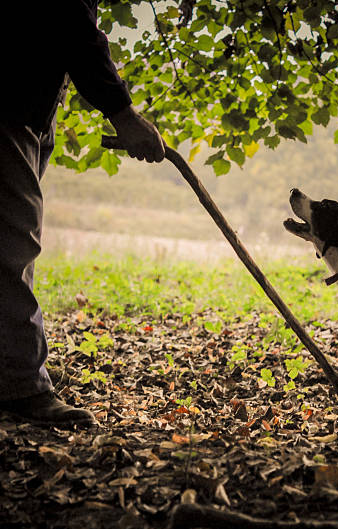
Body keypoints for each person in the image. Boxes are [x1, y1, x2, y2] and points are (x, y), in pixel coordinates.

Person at [0, 1, 165, 427]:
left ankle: (12, 366)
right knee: (14, 244)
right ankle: (20, 384)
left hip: (30, 106)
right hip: (9, 99)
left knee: (10, 242)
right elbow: (72, 25)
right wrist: (123, 113)